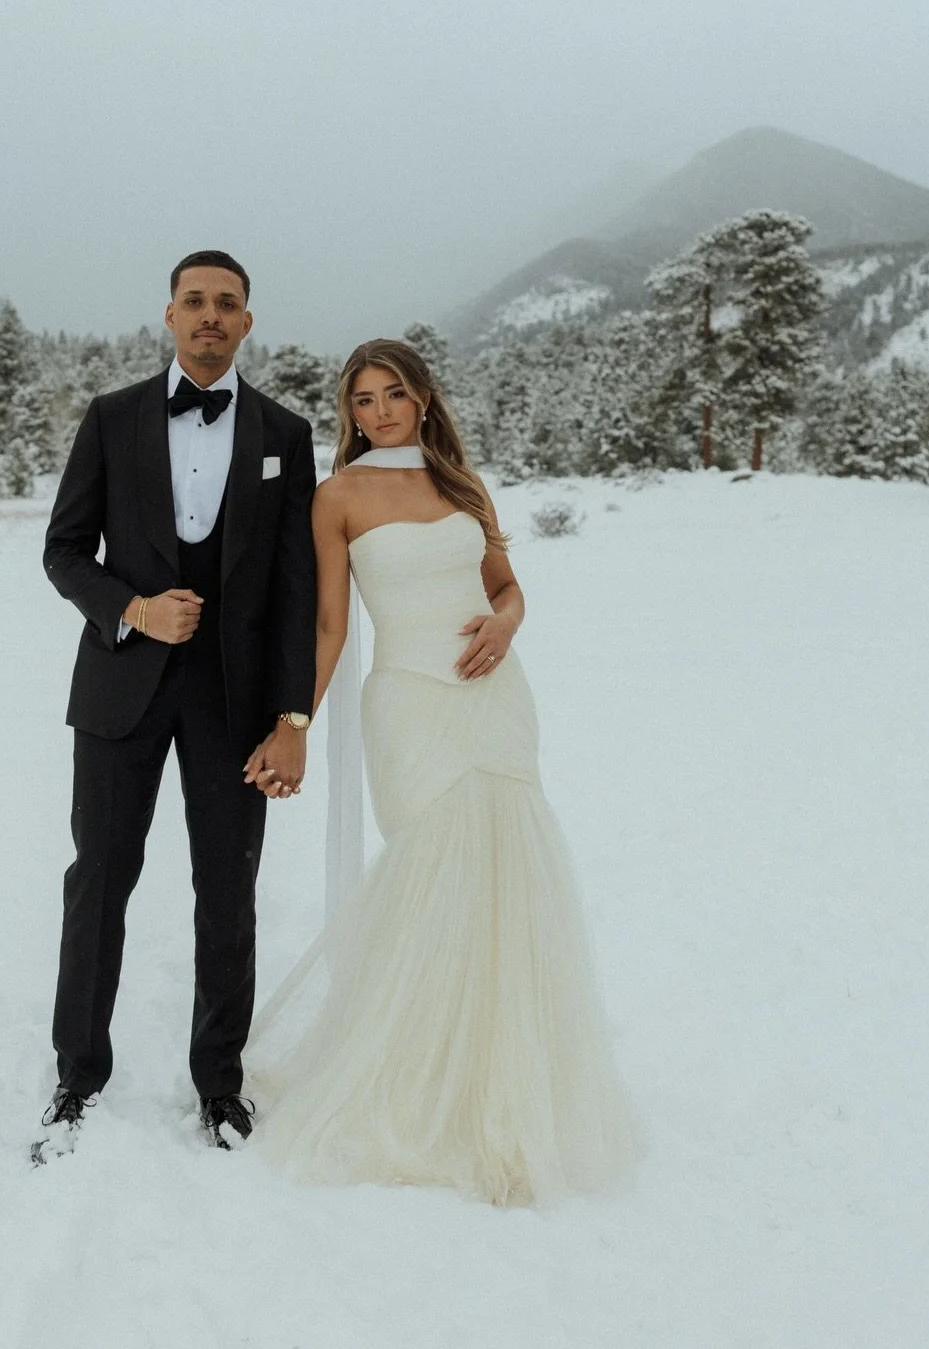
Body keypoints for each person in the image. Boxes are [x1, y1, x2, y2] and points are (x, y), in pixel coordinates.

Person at [250, 339, 639, 1204]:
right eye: (362, 400)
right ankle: (415, 1078)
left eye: (393, 393)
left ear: (423, 397)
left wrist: (506, 624)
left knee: (507, 876)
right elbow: (328, 625)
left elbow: (507, 587)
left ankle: (503, 1085)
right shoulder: (337, 496)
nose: (379, 411)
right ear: (349, 413)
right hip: (410, 705)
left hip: (494, 697)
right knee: (433, 872)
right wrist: (293, 722)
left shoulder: (463, 484)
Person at [34, 251, 316, 1160]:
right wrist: (134, 608)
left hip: (235, 702)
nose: (209, 315)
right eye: (194, 300)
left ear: (247, 322)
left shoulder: (285, 432)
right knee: (100, 881)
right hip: (121, 686)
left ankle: (220, 1083)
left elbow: (297, 589)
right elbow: (64, 550)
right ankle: (77, 1077)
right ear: (169, 314)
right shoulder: (112, 417)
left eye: (226, 303)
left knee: (228, 892)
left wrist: (292, 717)